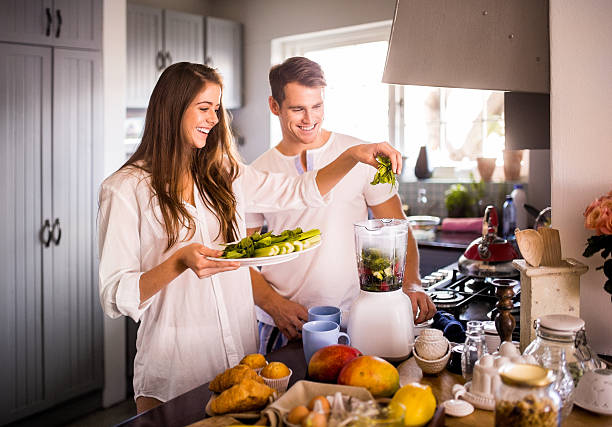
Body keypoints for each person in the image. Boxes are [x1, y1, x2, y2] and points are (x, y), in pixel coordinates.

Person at [97, 62, 402, 413]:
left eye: (216, 109)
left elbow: (299, 191)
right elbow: (114, 295)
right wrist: (178, 262)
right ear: (172, 108)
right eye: (203, 108)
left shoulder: (224, 173)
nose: (213, 119)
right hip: (177, 368)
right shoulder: (124, 189)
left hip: (242, 363)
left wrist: (352, 156)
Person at [246, 57, 436, 354]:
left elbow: (398, 229)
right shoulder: (257, 172)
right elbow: (238, 260)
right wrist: (274, 305)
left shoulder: (361, 156)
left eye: (317, 106)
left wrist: (412, 283)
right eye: (298, 109)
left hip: (355, 318)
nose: (310, 119)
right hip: (284, 323)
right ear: (274, 106)